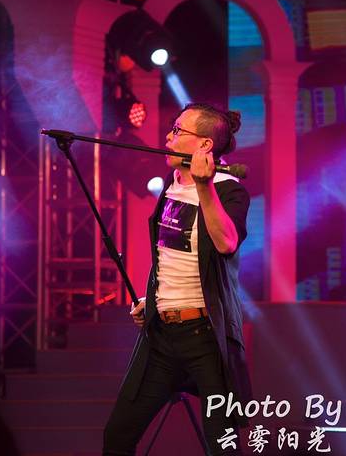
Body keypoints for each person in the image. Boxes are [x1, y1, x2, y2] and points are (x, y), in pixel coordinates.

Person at [103, 103, 251, 456]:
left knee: (222, 445)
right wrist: (154, 299)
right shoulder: (169, 188)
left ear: (204, 145)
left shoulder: (228, 191)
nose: (168, 137)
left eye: (178, 131)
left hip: (205, 336)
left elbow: (226, 243)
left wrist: (204, 185)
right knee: (117, 436)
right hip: (162, 335)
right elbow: (168, 258)